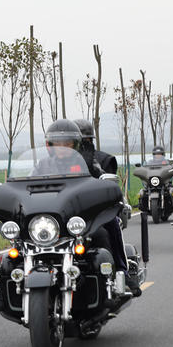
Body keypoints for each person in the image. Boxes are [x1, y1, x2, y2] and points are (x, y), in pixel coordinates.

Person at [43, 119, 138, 296]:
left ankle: (121, 273)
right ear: (49, 145)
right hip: (55, 219)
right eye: (58, 144)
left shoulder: (87, 163)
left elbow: (102, 181)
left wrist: (102, 185)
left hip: (83, 216)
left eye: (67, 143)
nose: (62, 148)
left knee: (109, 226)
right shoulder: (43, 166)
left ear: (75, 144)